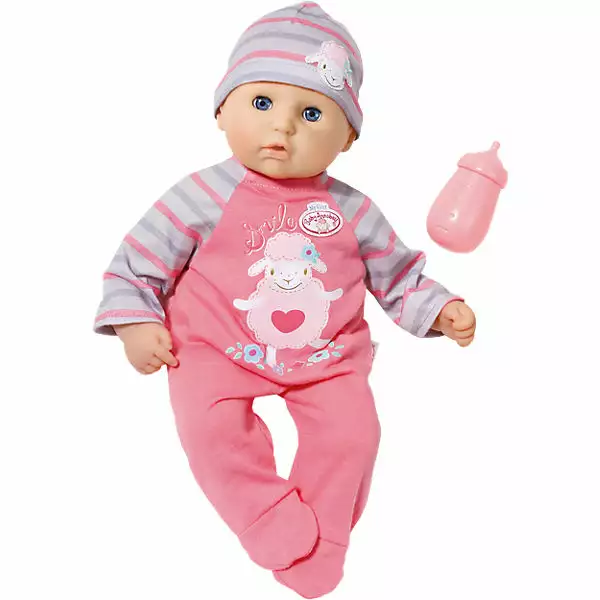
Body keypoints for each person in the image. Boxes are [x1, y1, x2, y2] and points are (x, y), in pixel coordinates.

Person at [94, 3, 476, 597]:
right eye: (262, 103)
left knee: (354, 436)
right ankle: (264, 515)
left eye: (312, 112)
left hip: (325, 355)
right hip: (213, 348)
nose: (284, 127)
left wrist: (439, 309)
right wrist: (136, 324)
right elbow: (138, 262)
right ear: (222, 111)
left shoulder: (350, 210)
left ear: (347, 137)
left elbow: (397, 274)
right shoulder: (200, 195)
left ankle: (323, 539)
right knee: (211, 431)